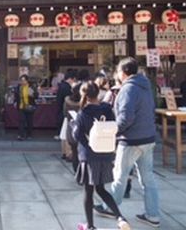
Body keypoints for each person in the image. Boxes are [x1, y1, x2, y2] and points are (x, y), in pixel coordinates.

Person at [94, 57, 160, 228]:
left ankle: (110, 207)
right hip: (148, 138)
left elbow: (126, 117)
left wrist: (115, 131)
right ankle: (153, 215)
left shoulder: (128, 89)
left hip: (131, 139)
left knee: (120, 176)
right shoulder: (145, 86)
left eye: (117, 71)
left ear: (123, 72)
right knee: (148, 179)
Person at [73, 81, 130, 230]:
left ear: (83, 94)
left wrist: (74, 125)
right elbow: (115, 127)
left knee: (88, 191)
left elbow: (77, 135)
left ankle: (90, 226)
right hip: (106, 154)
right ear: (98, 93)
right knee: (101, 189)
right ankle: (120, 217)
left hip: (89, 156)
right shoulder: (107, 110)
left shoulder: (83, 113)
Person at [63, 82, 81, 170]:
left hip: (71, 127)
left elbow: (64, 113)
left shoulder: (67, 101)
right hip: (82, 129)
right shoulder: (84, 102)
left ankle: (76, 171)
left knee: (74, 151)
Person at [15, 74, 38, 141]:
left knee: (29, 121)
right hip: (21, 106)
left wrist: (32, 94)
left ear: (27, 80)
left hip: (29, 106)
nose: (22, 82)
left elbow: (36, 96)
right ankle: (21, 135)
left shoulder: (31, 87)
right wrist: (15, 101)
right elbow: (16, 95)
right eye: (21, 80)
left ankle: (29, 134)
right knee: (21, 121)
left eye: (24, 80)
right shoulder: (19, 87)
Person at [55, 69, 77, 139]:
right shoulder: (67, 87)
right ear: (71, 79)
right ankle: (61, 134)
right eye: (74, 79)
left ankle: (59, 134)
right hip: (65, 108)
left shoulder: (61, 86)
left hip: (60, 106)